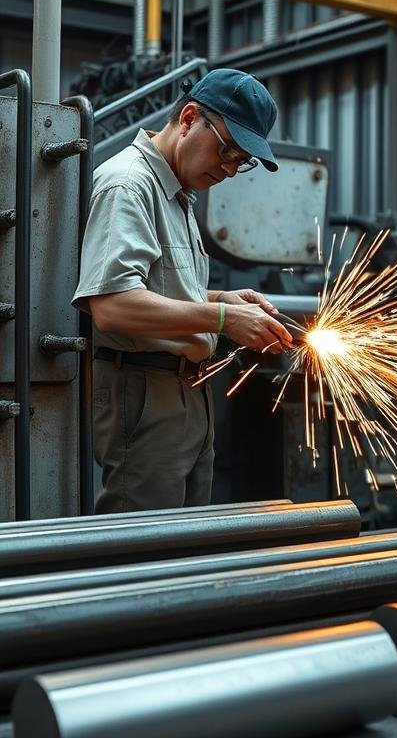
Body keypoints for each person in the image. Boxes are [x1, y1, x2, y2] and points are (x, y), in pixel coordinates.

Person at [73, 68, 293, 513]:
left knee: (184, 546)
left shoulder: (177, 194)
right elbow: (112, 305)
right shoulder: (128, 185)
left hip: (187, 392)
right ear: (190, 117)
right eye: (227, 150)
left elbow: (158, 285)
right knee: (144, 552)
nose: (230, 169)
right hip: (144, 392)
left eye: (241, 161)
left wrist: (221, 299)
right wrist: (223, 320)